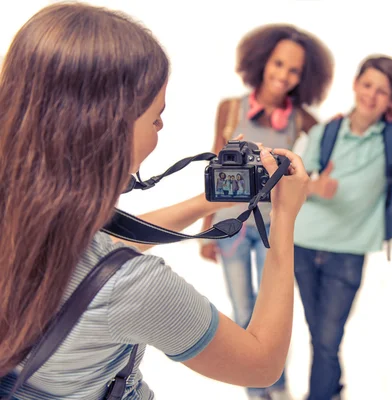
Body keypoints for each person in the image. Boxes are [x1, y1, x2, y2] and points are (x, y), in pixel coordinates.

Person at [0, 4, 309, 399]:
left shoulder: (24, 221)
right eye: (156, 118)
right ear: (107, 128)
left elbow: (98, 253)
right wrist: (284, 220)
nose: (160, 130)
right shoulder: (136, 288)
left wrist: (204, 202)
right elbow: (262, 364)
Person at [199, 23, 333, 400]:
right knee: (243, 310)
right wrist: (206, 231)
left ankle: (278, 384)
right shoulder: (230, 109)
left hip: (274, 228)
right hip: (229, 226)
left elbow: (320, 158)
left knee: (273, 315)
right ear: (262, 62)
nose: (283, 76)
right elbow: (214, 171)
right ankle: (256, 390)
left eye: (293, 71)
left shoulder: (302, 120)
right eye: (278, 65)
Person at [293, 55, 392, 400]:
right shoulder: (326, 131)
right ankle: (332, 390)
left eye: (383, 91)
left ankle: (321, 394)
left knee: (327, 336)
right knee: (318, 334)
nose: (372, 96)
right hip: (303, 243)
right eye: (367, 85)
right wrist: (317, 186)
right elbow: (293, 183)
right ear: (354, 84)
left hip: (348, 251)